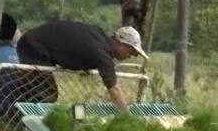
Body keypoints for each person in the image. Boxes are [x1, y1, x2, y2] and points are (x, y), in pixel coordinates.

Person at [16, 20, 148, 112]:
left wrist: (84, 64)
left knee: (39, 91)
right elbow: (114, 89)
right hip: (33, 46)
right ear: (121, 44)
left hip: (35, 43)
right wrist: (126, 115)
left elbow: (80, 45)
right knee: (45, 95)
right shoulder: (102, 54)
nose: (131, 56)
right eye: (131, 52)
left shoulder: (99, 37)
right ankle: (24, 127)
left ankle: (17, 120)